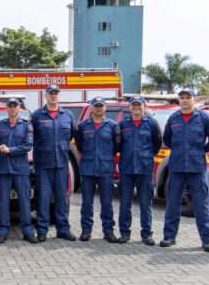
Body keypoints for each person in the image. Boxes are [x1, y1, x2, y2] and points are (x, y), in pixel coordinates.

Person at [160, 88, 209, 252]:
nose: (185, 100)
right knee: (173, 203)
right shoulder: (173, 118)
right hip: (177, 167)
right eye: (182, 97)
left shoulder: (203, 118)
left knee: (201, 205)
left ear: (194, 100)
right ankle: (169, 237)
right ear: (179, 100)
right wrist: (180, 150)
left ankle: (207, 240)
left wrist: (200, 150)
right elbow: (167, 139)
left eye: (188, 97)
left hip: (197, 168)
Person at [31, 85, 75, 242]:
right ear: (45, 96)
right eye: (51, 93)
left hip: (61, 164)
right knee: (43, 198)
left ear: (59, 96)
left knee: (61, 198)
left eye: (56, 93)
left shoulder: (67, 115)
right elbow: (32, 138)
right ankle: (42, 230)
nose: (53, 96)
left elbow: (70, 137)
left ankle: (63, 229)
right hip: (43, 165)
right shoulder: (36, 116)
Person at [117, 96, 163, 245]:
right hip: (127, 169)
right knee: (125, 203)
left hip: (145, 169)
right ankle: (124, 233)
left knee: (145, 203)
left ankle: (146, 234)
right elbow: (118, 145)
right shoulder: (123, 124)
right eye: (133, 105)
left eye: (139, 105)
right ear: (129, 107)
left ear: (144, 106)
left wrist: (146, 156)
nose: (136, 107)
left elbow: (157, 144)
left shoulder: (152, 123)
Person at [74, 97, 120, 242]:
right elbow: (80, 146)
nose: (99, 108)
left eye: (101, 106)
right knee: (87, 202)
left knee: (107, 202)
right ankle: (86, 231)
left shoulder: (112, 126)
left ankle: (108, 231)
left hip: (105, 169)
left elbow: (116, 147)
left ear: (105, 108)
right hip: (87, 169)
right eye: (96, 106)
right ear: (92, 107)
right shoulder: (82, 126)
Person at [0, 97, 35, 244]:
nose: (12, 109)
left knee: (24, 201)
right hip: (3, 169)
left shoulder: (26, 126)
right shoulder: (0, 125)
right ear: (7, 108)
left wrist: (9, 150)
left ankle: (27, 231)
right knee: (3, 202)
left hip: (20, 169)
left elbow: (27, 146)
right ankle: (3, 230)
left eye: (15, 106)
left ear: (19, 108)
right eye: (10, 106)